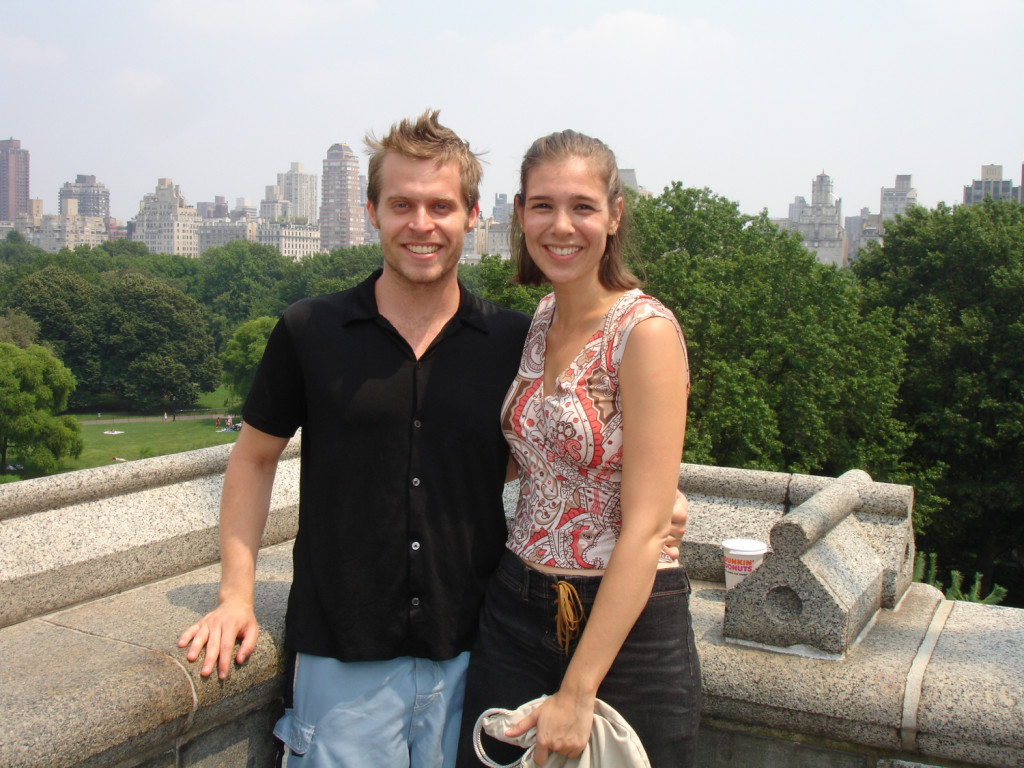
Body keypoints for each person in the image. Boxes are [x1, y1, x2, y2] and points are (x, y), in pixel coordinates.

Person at [177, 111, 687, 768]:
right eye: (402, 205)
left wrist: (649, 506)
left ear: (473, 215)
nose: (422, 224)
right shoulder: (312, 330)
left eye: (441, 205)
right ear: (371, 211)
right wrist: (235, 595)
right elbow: (253, 458)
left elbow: (573, 451)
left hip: (475, 645)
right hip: (353, 651)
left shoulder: (512, 338)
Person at [456, 131, 701, 768]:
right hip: (515, 603)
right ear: (519, 214)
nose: (561, 226)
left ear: (614, 215)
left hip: (626, 626)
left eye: (582, 207)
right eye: (543, 206)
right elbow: (534, 452)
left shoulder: (644, 332)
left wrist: (579, 687)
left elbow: (646, 528)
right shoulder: (540, 319)